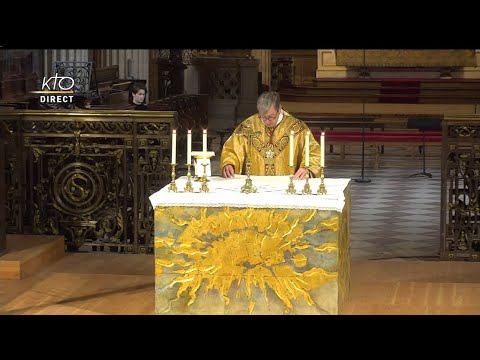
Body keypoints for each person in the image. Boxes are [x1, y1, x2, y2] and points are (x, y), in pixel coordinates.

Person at [220, 91, 320, 180]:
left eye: (271, 117)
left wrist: (306, 168)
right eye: (263, 117)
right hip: (255, 185)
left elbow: (313, 152)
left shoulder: (297, 128)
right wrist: (229, 163)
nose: (267, 121)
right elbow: (232, 149)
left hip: (287, 185)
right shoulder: (248, 126)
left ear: (280, 109)